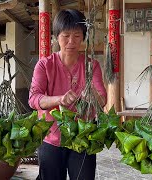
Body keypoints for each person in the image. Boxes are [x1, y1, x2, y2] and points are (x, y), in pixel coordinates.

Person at [28, 9, 107, 180]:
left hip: (82, 137)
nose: (71, 41)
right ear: (57, 36)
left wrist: (92, 94)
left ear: (84, 37)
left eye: (77, 36)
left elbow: (102, 99)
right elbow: (34, 98)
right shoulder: (44, 65)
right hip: (51, 138)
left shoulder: (91, 66)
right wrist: (59, 99)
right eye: (66, 35)